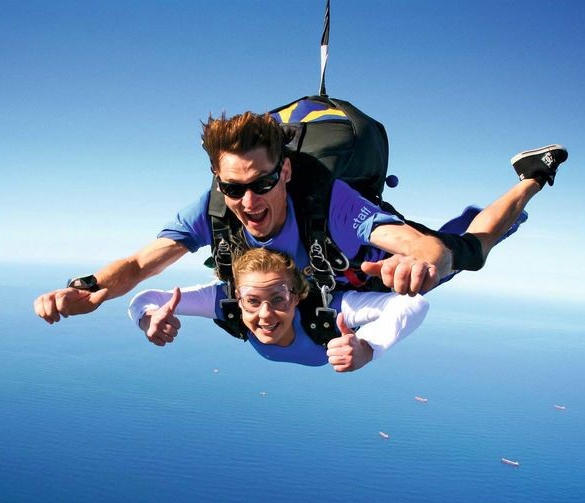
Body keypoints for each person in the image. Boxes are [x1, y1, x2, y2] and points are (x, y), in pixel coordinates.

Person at [32, 107, 567, 324]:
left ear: (285, 172)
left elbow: (422, 248)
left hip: (362, 257)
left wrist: (422, 265)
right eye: (233, 187)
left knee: (469, 250)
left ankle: (531, 177)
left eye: (262, 183)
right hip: (310, 271)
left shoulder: (330, 201)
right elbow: (141, 262)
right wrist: (91, 288)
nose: (247, 202)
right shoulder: (211, 207)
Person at [128, 248, 430, 372]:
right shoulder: (226, 303)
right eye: (252, 301)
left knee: (450, 257)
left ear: (297, 297)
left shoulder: (327, 310)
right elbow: (145, 299)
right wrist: (148, 320)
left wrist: (367, 348)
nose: (264, 314)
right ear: (238, 296)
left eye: (278, 299)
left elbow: (414, 301)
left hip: (380, 269)